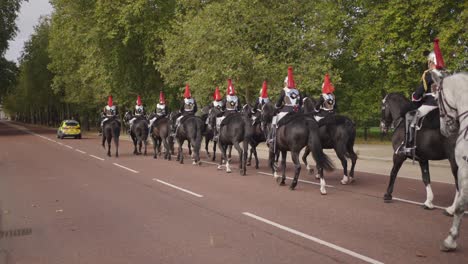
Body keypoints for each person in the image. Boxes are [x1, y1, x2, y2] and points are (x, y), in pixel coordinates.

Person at [399, 38, 446, 155]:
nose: (428, 64)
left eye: (429, 62)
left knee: (410, 117)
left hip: (431, 104)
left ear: (431, 62)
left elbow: (420, 91)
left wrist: (415, 97)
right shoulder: (446, 73)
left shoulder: (429, 74)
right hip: (445, 104)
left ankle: (408, 146)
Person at [268, 66, 302, 144]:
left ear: (286, 82)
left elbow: (279, 102)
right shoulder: (297, 91)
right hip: (298, 111)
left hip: (287, 111)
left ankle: (272, 138)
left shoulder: (284, 90)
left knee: (274, 120)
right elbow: (300, 103)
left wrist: (276, 106)